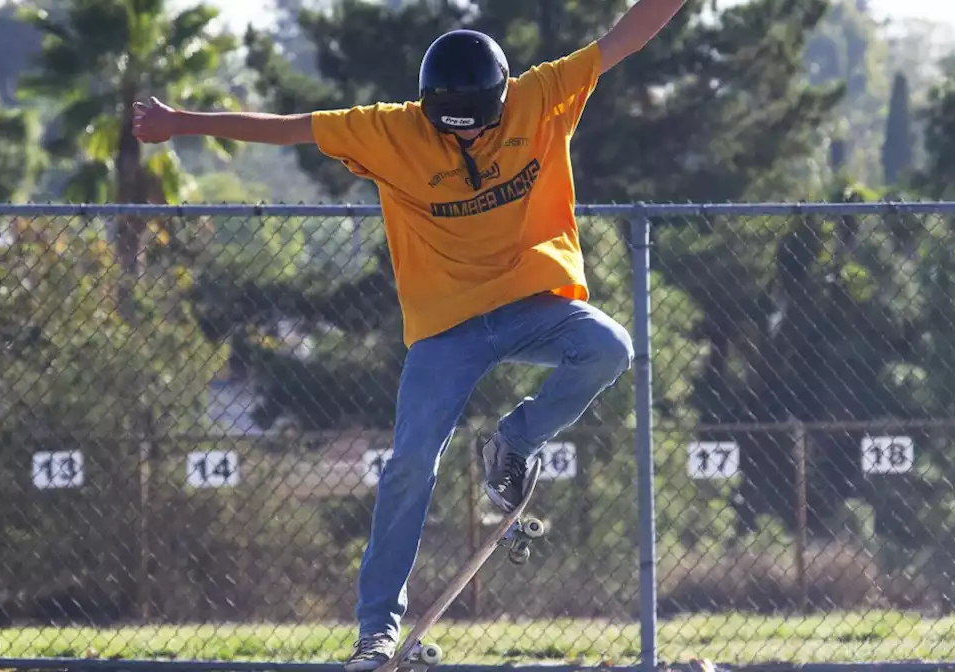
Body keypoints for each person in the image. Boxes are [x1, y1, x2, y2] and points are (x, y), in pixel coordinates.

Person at [132, 1, 687, 668]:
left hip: (532, 303)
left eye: (476, 132)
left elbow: (624, 35)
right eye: (448, 133)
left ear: (502, 99)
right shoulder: (389, 131)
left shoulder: (540, 96)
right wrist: (180, 122)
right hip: (447, 329)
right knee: (409, 467)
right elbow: (288, 129)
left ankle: (515, 441)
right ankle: (376, 630)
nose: (462, 144)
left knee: (610, 349)